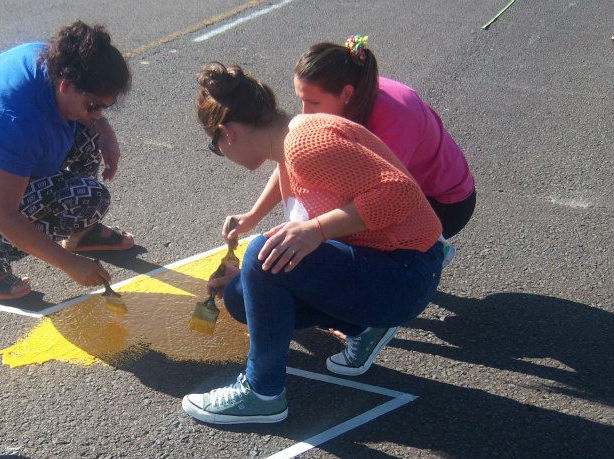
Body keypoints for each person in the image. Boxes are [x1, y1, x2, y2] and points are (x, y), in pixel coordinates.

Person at [181, 63, 443, 424]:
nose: (221, 152)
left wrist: (316, 230)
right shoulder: (289, 137)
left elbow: (401, 193)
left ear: (227, 133)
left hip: (406, 273)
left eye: (215, 146)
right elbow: (286, 169)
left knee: (264, 253)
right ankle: (365, 327)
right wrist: (254, 217)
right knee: (242, 293)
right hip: (389, 267)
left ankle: (262, 392)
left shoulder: (307, 144)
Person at [239, 36, 475, 375]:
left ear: (346, 95)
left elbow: (394, 197)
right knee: (316, 248)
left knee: (338, 242)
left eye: (313, 103)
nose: (304, 113)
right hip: (411, 195)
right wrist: (252, 216)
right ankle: (386, 290)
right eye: (300, 100)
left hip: (443, 201)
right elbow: (287, 158)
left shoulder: (393, 116)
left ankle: (404, 285)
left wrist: (315, 236)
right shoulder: (340, 108)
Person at [0, 21, 134, 299]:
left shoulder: (56, 61)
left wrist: (104, 129)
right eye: (94, 106)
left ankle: (80, 232)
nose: (98, 114)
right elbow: (0, 212)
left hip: (3, 161)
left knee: (88, 134)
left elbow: (87, 112)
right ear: (66, 85)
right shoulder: (18, 121)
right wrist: (69, 264)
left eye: (104, 107)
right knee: (89, 199)